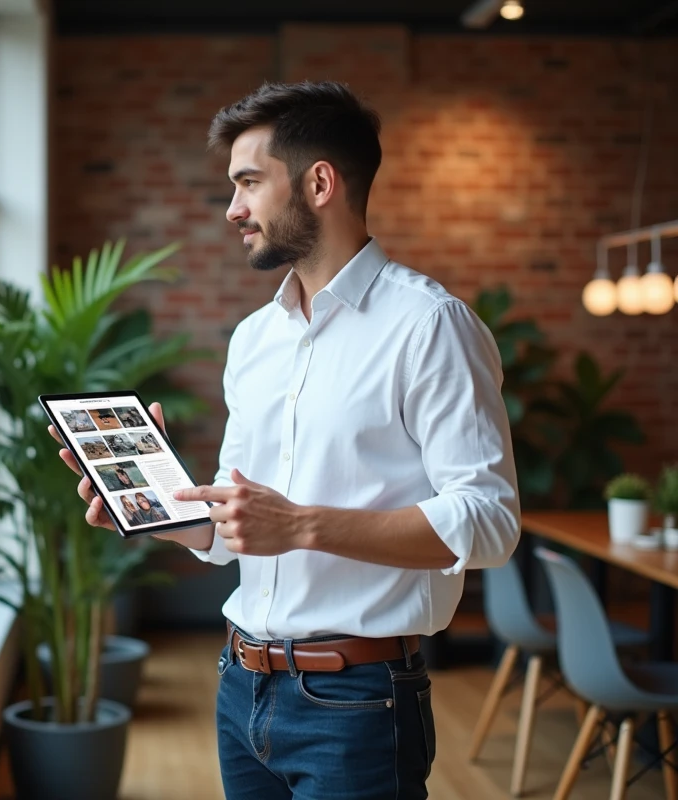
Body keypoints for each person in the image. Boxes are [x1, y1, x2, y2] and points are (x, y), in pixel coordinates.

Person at [48, 80, 520, 800]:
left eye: (248, 183)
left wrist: (300, 525)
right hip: (240, 688)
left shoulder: (429, 326)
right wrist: (161, 513)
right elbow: (240, 528)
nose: (233, 209)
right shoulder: (254, 339)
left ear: (319, 182)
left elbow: (490, 522)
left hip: (357, 703)